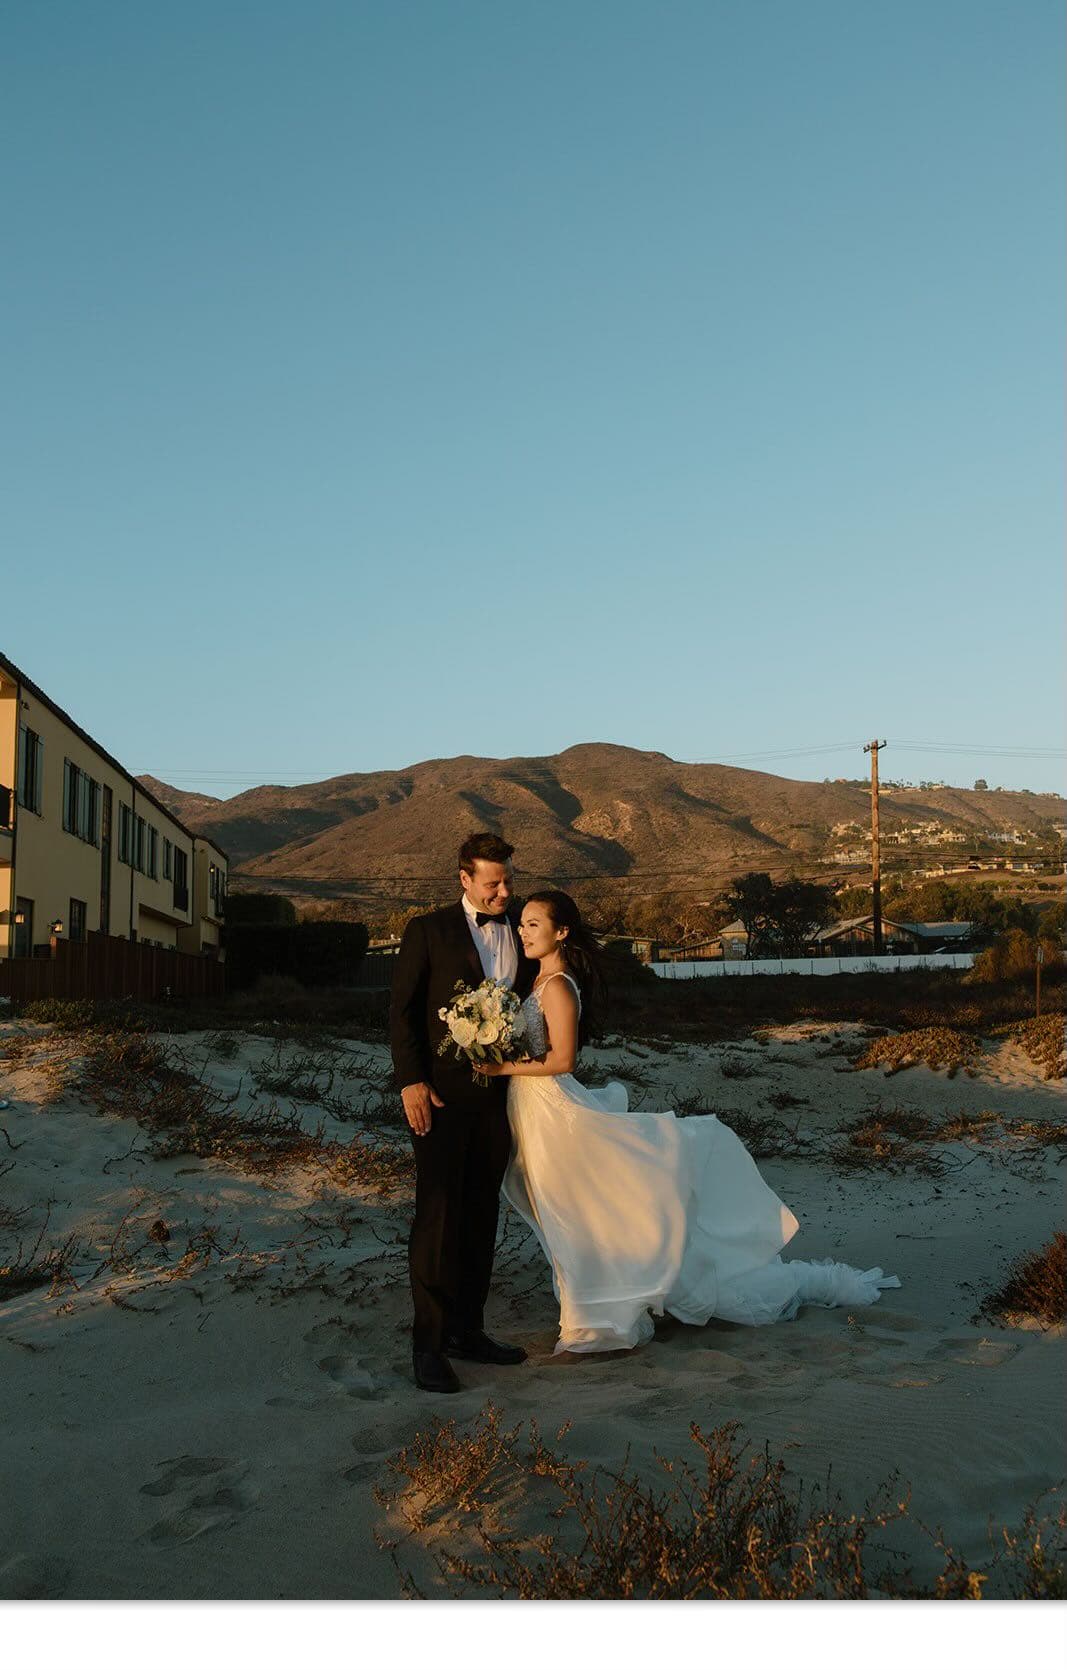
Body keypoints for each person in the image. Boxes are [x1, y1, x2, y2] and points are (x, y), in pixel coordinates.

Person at [476, 890, 900, 1354]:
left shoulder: (558, 986)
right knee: (569, 1211)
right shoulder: (534, 983)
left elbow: (563, 1059)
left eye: (534, 924)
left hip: (553, 1108)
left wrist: (501, 1067)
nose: (523, 931)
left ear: (562, 932)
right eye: (523, 924)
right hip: (533, 1110)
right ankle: (592, 1306)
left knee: (578, 1212)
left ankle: (595, 1317)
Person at [390, 832, 537, 1391]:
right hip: (440, 1098)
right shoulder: (428, 930)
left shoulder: (523, 924)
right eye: (493, 882)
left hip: (503, 1101)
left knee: (481, 1216)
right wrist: (411, 1083)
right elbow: (402, 1013)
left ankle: (467, 1329)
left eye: (508, 881)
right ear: (465, 879)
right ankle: (427, 1345)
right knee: (437, 1216)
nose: (504, 892)